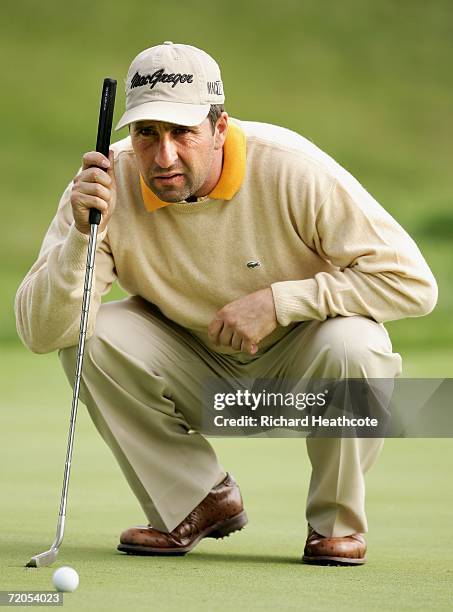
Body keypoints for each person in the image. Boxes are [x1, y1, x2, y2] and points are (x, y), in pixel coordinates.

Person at [15, 42, 437, 565]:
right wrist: (80, 238)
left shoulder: (292, 169)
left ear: (219, 127)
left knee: (358, 343)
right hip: (198, 374)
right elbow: (41, 333)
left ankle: (335, 525)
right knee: (90, 335)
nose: (163, 156)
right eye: (147, 134)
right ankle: (195, 501)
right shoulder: (105, 187)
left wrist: (281, 302)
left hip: (302, 380)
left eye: (182, 132)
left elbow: (414, 284)